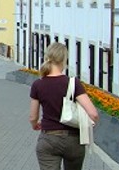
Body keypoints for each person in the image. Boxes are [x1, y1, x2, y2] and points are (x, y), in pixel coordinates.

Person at [29, 42, 99, 170]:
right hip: (73, 141)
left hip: (49, 139)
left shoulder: (38, 85)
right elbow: (93, 113)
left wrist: (35, 124)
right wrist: (88, 124)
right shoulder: (73, 83)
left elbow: (33, 117)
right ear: (64, 60)